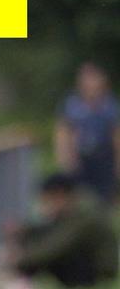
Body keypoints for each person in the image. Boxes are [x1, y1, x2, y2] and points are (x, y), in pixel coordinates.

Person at [8, 172, 119, 289]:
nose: (46, 206)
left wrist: (19, 259)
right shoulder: (76, 206)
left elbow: (56, 246)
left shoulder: (84, 213)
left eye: (48, 200)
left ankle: (21, 285)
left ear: (59, 195)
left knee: (46, 256)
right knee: (36, 238)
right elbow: (49, 230)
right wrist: (23, 231)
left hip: (100, 273)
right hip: (93, 265)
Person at [54, 61, 119, 205]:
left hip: (103, 157)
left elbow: (116, 134)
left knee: (105, 198)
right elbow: (63, 132)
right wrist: (64, 158)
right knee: (80, 197)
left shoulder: (109, 105)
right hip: (80, 157)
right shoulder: (71, 104)